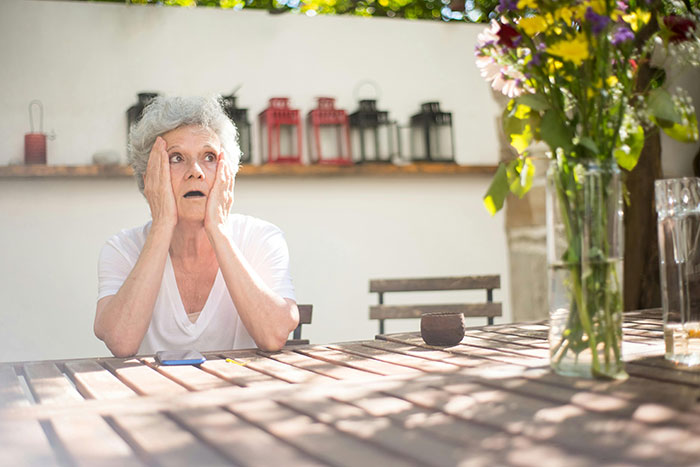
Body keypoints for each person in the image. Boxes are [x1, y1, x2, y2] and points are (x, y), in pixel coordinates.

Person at [94, 96, 299, 357]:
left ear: (228, 174)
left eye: (209, 157)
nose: (196, 171)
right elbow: (120, 341)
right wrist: (162, 224)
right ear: (150, 178)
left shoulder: (262, 238)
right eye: (176, 158)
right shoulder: (121, 249)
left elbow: (274, 334)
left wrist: (219, 230)